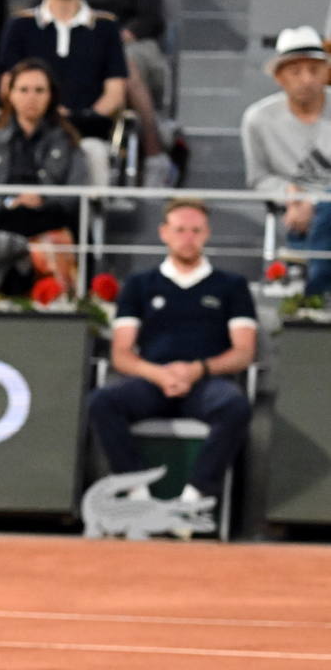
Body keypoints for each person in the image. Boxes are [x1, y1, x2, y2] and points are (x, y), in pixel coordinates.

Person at [87, 199, 256, 507]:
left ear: (207, 234)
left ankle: (193, 501)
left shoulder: (231, 285)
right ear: (164, 232)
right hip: (152, 381)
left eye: (196, 230)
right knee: (102, 402)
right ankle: (137, 495)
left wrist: (196, 370)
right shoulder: (139, 284)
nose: (188, 237)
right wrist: (159, 374)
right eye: (180, 230)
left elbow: (243, 352)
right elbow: (121, 353)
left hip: (206, 383)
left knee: (235, 406)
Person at [0, 58, 88, 290]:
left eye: (39, 90)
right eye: (23, 90)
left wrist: (42, 199)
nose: (31, 97)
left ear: (51, 95)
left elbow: (75, 195)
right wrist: (12, 201)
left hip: (49, 217)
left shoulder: (68, 142)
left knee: (57, 236)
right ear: (10, 94)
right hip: (2, 220)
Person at [0, 0, 126, 190]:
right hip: (29, 130)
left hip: (85, 133)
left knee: (94, 152)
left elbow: (115, 93)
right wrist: (41, 113)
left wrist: (79, 118)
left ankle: (92, 221)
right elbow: (7, 85)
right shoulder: (20, 25)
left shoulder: (106, 27)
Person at [240, 26, 331, 296]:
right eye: (295, 71)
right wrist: (291, 194)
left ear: (327, 72)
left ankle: (309, 289)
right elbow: (258, 178)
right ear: (279, 77)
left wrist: (314, 202)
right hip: (292, 212)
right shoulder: (258, 118)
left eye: (314, 70)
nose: (306, 80)